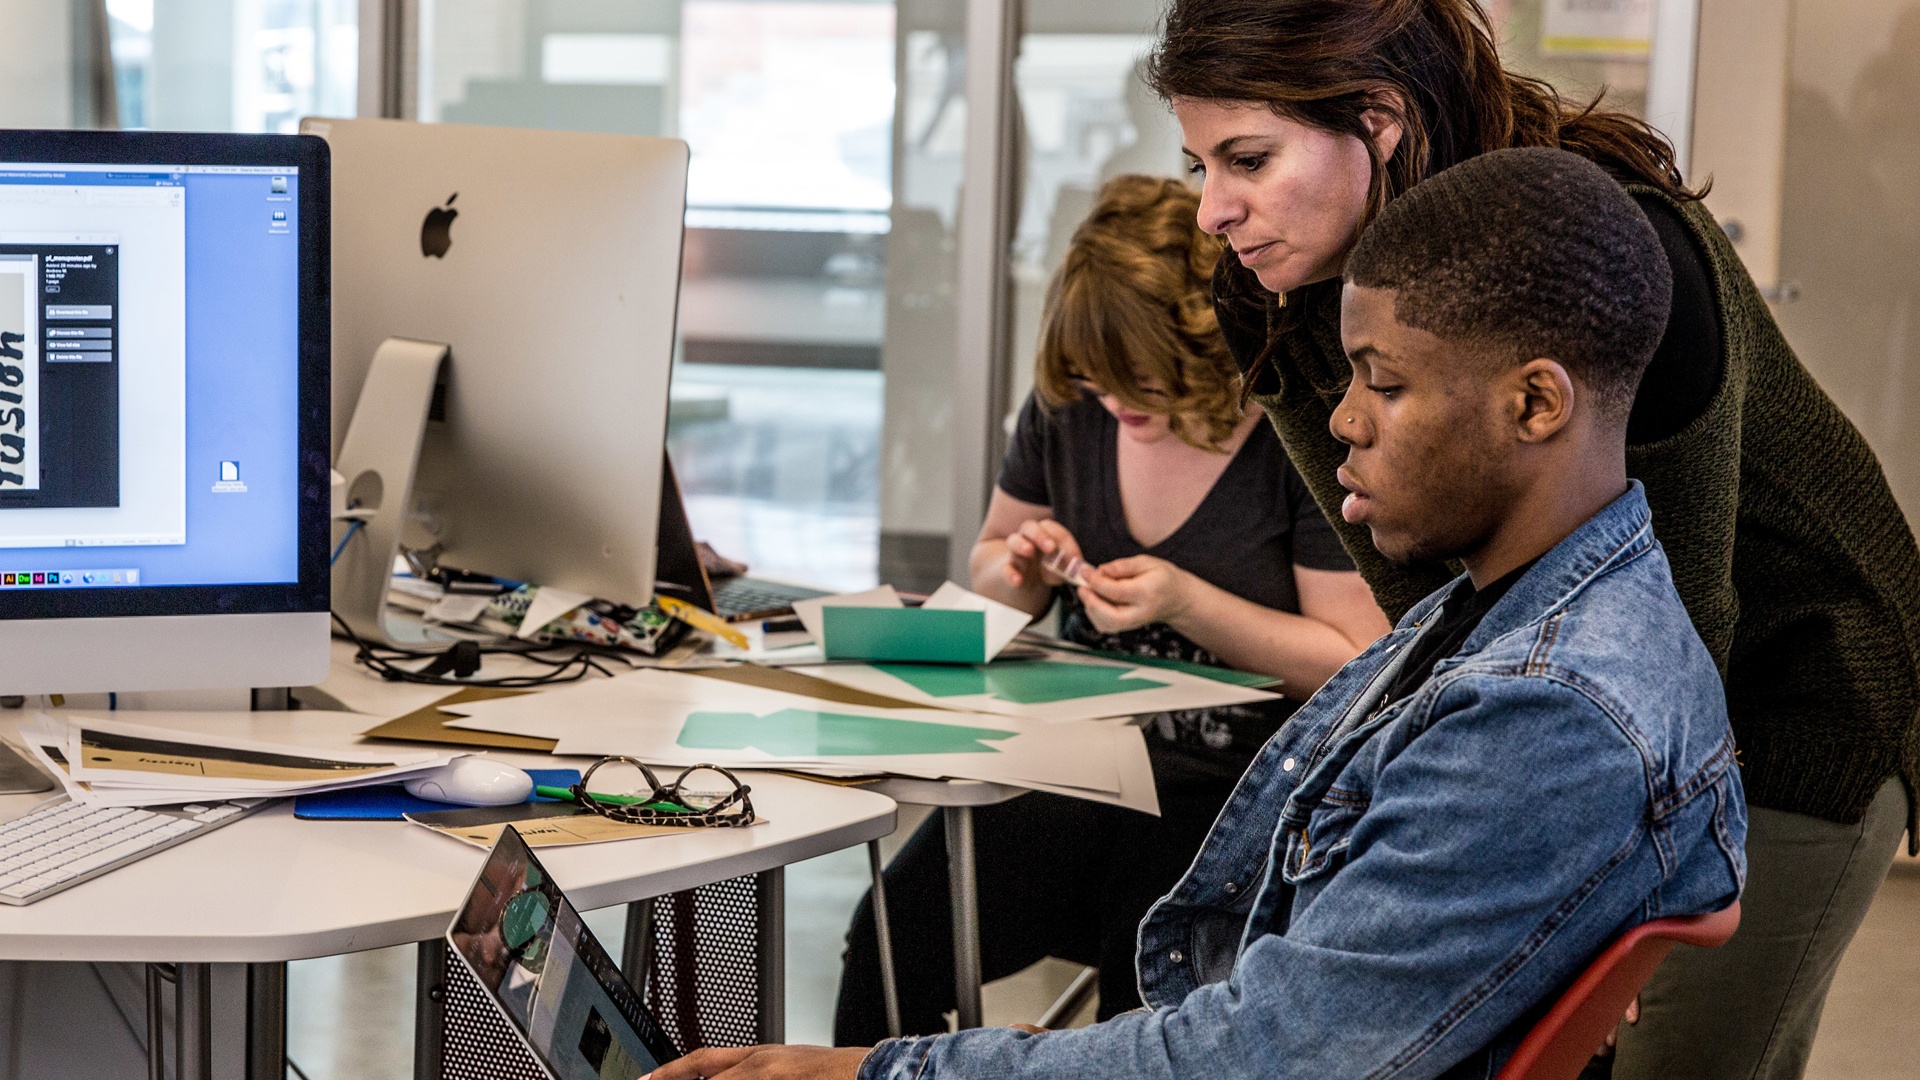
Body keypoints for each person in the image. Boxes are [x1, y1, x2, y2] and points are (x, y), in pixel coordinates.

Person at [643, 146, 1746, 1080]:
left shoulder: (1545, 713)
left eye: (1385, 384)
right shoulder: (1507, 615)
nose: (1345, 422)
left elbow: (1250, 1057)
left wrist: (888, 1068)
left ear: (1536, 402)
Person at [1142, 3, 1920, 1077]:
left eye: (1249, 159)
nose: (1214, 213)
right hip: (1613, 688)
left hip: (1795, 680)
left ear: (1381, 119)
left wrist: (1627, 871)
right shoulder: (1273, 284)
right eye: (1199, 167)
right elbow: (1419, 584)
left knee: (1675, 1056)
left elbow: (1674, 627)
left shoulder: (1607, 249)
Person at [832, 174, 1389, 1044]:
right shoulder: (1071, 409)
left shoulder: (1291, 435)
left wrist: (1186, 602)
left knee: (1141, 996)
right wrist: (1022, 571)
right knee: (889, 941)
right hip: (1077, 764)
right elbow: (991, 570)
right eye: (1096, 385)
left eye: (1140, 384)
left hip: (1229, 791)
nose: (1115, 405)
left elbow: (1353, 660)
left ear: (1202, 347)